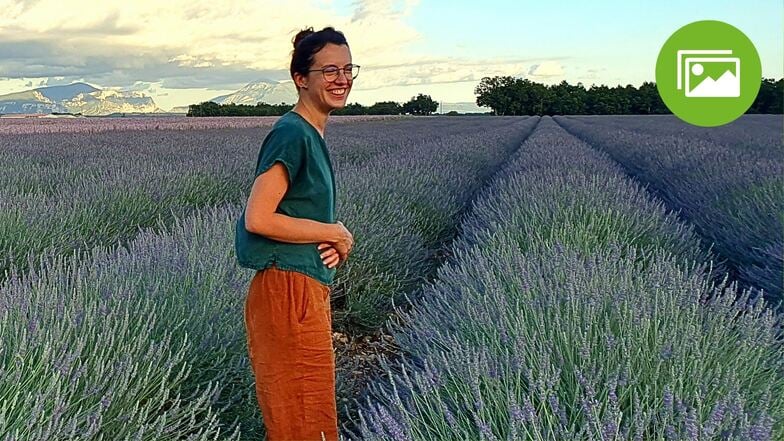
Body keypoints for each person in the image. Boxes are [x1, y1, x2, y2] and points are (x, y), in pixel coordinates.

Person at [234, 26, 358, 441]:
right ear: (300, 79)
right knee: (300, 418)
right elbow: (259, 217)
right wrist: (333, 231)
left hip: (303, 287)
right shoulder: (292, 133)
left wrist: (334, 240)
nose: (341, 79)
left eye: (347, 69)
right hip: (287, 292)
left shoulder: (311, 133)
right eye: (329, 71)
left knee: (306, 412)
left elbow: (296, 217)